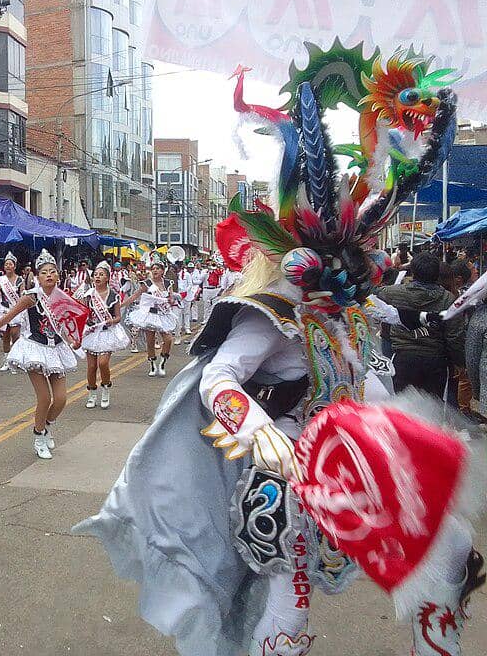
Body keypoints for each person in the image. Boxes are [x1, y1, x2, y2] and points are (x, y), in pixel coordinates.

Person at [75, 68, 481, 656]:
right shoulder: (274, 307)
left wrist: (408, 428)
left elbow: (357, 379)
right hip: (291, 473)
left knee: (449, 549)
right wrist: (261, 431)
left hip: (356, 460)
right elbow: (219, 378)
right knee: (286, 601)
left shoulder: (349, 308)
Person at [0, 249, 79, 459]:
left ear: (58, 275)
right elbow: (6, 317)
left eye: (53, 271)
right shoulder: (30, 298)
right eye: (44, 272)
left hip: (56, 349)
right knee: (44, 397)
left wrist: (73, 339)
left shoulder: (62, 298)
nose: (49, 275)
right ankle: (38, 436)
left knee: (61, 399)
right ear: (37, 277)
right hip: (34, 350)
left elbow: (65, 324)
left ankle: (46, 425)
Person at [375, 252, 465, 398]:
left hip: (403, 360)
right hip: (435, 362)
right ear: (436, 274)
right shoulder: (448, 299)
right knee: (431, 411)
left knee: (404, 409)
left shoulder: (392, 293)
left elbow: (371, 295)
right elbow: (454, 335)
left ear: (413, 271)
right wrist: (459, 362)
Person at [79, 261, 130, 409]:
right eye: (95, 274)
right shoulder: (88, 295)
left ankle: (106, 388)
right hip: (92, 333)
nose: (97, 277)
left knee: (103, 363)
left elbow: (118, 317)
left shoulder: (113, 295)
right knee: (91, 366)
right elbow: (83, 313)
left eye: (101, 274)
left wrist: (111, 321)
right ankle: (92, 393)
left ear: (107, 277)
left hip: (107, 333)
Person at [123, 253, 177, 377]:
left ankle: (162, 362)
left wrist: (171, 300)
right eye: (153, 269)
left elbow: (171, 297)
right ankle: (152, 364)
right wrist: (120, 305)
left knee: (168, 339)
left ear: (163, 271)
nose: (155, 270)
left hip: (163, 314)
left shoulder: (168, 283)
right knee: (150, 341)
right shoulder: (147, 283)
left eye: (157, 268)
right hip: (150, 314)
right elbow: (135, 296)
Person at [0, 251, 26, 372]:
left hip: (15, 310)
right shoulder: (0, 280)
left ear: (15, 266)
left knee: (15, 334)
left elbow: (23, 295)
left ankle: (16, 360)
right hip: (3, 309)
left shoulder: (20, 280)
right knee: (6, 335)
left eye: (10, 264)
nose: (8, 266)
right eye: (6, 264)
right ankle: (7, 360)